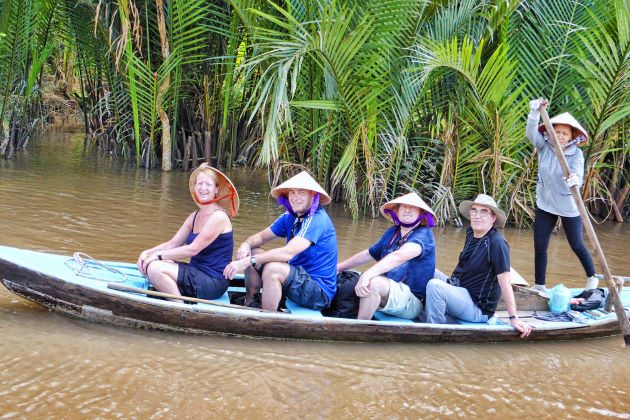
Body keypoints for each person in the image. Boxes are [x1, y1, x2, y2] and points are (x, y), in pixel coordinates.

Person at [223, 171, 337, 311]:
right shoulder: (290, 216)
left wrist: (249, 261)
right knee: (250, 252)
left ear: (312, 195)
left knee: (272, 269)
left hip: (318, 292)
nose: (295, 198)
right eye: (292, 193)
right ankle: (251, 302)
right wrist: (246, 245)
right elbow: (260, 238)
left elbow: (287, 253)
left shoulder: (317, 220)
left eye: (301, 193)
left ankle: (266, 319)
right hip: (297, 278)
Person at [424, 194, 532, 338]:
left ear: (493, 218)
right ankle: (418, 308)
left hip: (477, 308)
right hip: (460, 290)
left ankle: (433, 333)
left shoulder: (497, 243)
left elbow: (505, 282)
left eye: (483, 211)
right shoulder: (471, 233)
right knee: (427, 269)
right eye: (474, 210)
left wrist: (513, 318)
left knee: (435, 286)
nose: (477, 215)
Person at [136, 163, 239, 302]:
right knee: (154, 263)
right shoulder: (194, 216)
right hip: (196, 272)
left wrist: (157, 257)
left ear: (216, 189)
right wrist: (147, 253)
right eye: (200, 184)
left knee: (154, 268)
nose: (203, 188)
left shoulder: (219, 217)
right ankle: (176, 298)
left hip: (213, 281)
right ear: (195, 188)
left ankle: (179, 309)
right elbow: (173, 243)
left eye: (208, 184)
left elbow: (193, 249)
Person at [527, 98, 597, 294]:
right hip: (546, 203)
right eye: (556, 131)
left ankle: (592, 277)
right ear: (550, 131)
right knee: (540, 246)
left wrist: (574, 180)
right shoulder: (544, 147)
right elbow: (531, 133)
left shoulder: (577, 155)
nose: (559, 136)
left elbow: (578, 175)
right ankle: (539, 285)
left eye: (564, 133)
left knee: (577, 244)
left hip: (568, 206)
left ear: (572, 136)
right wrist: (534, 113)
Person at [336, 192, 436, 320]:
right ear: (397, 211)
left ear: (421, 213)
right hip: (390, 293)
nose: (407, 210)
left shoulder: (425, 235)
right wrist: (339, 267)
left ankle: (360, 328)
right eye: (403, 206)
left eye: (413, 207)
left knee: (374, 282)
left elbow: (399, 256)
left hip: (411, 302)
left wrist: (367, 275)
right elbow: (369, 254)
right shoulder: (393, 232)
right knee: (350, 275)